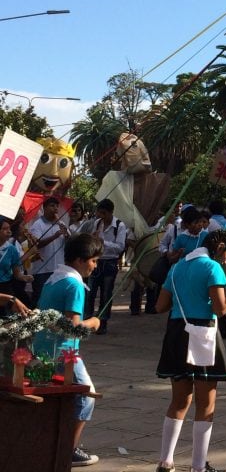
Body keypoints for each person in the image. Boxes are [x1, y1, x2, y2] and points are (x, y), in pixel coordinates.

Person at [154, 230, 226, 472]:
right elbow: (220, 309)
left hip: (177, 332)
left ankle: (166, 461)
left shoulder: (176, 267)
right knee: (206, 403)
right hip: (203, 333)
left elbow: (160, 305)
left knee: (179, 400)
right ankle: (198, 466)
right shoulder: (212, 268)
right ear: (218, 247)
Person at [34, 233, 104, 467]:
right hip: (63, 351)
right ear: (80, 260)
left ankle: (55, 445)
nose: (95, 266)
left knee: (60, 400)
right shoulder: (74, 284)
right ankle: (68, 449)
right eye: (93, 260)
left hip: (42, 348)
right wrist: (94, 322)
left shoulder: (54, 278)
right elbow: (73, 327)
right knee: (86, 397)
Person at [85, 198, 127, 335]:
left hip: (110, 262)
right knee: (90, 292)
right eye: (99, 212)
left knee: (106, 293)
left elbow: (120, 247)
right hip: (96, 261)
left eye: (104, 213)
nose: (101, 216)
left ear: (111, 213)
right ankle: (88, 320)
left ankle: (102, 321)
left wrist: (104, 242)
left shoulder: (120, 226)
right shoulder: (97, 223)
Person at [27, 196, 70, 307]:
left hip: (58, 269)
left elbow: (69, 242)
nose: (55, 209)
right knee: (39, 298)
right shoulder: (37, 224)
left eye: (56, 206)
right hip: (42, 270)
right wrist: (55, 236)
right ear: (44, 208)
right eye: (52, 206)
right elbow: (36, 244)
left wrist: (67, 236)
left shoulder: (61, 224)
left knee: (55, 299)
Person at [0, 216, 34, 316]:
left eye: (9, 229)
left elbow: (17, 273)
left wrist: (24, 277)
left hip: (5, 288)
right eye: (4, 229)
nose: (9, 231)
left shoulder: (11, 249)